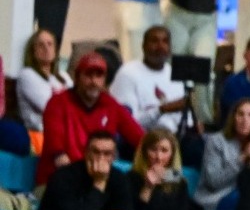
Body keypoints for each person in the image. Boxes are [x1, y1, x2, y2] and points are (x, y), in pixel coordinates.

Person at [37, 51, 143, 186]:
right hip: (57, 182)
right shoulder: (57, 103)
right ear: (77, 78)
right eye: (88, 75)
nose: (94, 81)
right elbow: (57, 150)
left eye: (99, 76)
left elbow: (139, 137)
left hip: (97, 181)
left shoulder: (111, 105)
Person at [110, 26, 192, 136]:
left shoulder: (175, 73)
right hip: (142, 139)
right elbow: (127, 122)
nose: (160, 46)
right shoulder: (128, 73)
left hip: (174, 138)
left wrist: (193, 124)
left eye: (165, 42)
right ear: (143, 46)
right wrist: (162, 109)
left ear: (170, 47)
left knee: (211, 140)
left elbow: (185, 118)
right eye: (154, 41)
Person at [196, 97, 250, 210]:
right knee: (247, 202)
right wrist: (242, 159)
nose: (245, 120)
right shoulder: (216, 141)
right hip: (216, 198)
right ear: (233, 118)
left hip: (245, 197)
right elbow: (213, 182)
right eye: (240, 114)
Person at [131, 128, 196, 210]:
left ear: (172, 154)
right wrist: (148, 187)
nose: (158, 156)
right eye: (153, 149)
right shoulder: (133, 178)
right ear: (145, 151)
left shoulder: (179, 181)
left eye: (164, 150)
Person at [16, 29, 73, 145]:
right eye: (41, 45)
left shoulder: (63, 76)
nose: (46, 48)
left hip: (68, 132)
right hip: (41, 135)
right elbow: (50, 106)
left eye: (50, 44)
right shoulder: (27, 75)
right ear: (33, 51)